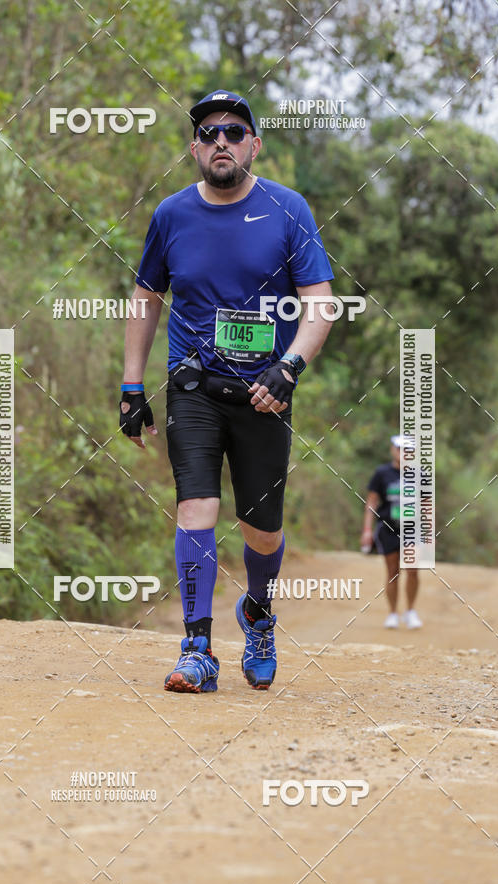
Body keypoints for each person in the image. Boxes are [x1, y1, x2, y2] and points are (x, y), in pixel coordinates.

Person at [120, 90, 335, 692]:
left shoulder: (288, 209)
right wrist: (131, 386)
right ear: (194, 148)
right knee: (195, 506)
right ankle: (196, 648)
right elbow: (146, 300)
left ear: (254, 145)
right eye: (209, 132)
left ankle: (259, 615)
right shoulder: (171, 216)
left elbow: (320, 307)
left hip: (266, 392)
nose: (221, 141)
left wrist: (288, 367)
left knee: (260, 528)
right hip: (192, 385)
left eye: (234, 132)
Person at [361, 435, 422, 629]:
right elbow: (372, 502)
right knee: (392, 572)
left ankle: (411, 611)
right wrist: (367, 530)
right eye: (400, 449)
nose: (404, 453)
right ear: (393, 450)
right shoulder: (382, 473)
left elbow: (428, 504)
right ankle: (393, 613)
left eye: (408, 450)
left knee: (412, 570)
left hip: (413, 528)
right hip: (388, 528)